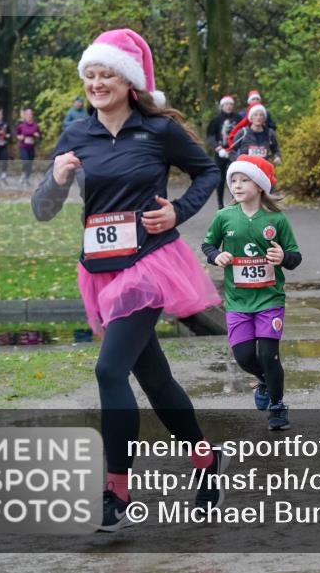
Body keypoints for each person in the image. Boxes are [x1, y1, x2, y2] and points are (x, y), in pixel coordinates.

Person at [31, 28, 225, 530]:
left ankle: (116, 491)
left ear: (129, 81)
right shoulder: (76, 134)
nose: (97, 83)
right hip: (100, 268)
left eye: (107, 74)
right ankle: (205, 459)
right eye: (90, 75)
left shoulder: (157, 131)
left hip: (149, 263)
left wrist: (176, 212)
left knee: (108, 371)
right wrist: (55, 179)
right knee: (154, 377)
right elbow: (43, 212)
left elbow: (208, 173)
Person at [202, 155, 301, 430]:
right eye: (233, 180)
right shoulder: (224, 217)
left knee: (269, 355)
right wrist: (217, 256)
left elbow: (295, 256)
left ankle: (278, 407)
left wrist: (282, 257)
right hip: (238, 302)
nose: (237, 185)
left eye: (244, 179)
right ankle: (266, 381)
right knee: (245, 356)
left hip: (270, 299)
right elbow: (208, 245)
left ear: (259, 185)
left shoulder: (275, 220)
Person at [205, 95, 242, 209]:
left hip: (234, 152)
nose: (229, 106)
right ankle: (220, 203)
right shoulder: (216, 120)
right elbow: (210, 137)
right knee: (220, 178)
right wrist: (218, 148)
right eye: (226, 104)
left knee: (235, 177)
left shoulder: (238, 118)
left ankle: (235, 201)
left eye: (231, 104)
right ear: (222, 106)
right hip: (220, 152)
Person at [225, 90, 279, 160]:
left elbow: (275, 149)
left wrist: (277, 156)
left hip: (262, 167)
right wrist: (239, 159)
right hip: (245, 168)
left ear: (264, 118)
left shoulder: (269, 133)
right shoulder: (243, 132)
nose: (258, 117)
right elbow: (231, 151)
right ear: (250, 118)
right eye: (255, 115)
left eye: (261, 115)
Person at [15, 108, 41, 185]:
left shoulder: (35, 126)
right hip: (23, 146)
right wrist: (19, 137)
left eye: (31, 114)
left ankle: (27, 178)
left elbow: (40, 136)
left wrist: (37, 135)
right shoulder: (21, 126)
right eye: (27, 115)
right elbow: (17, 134)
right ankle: (23, 174)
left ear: (32, 116)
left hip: (31, 147)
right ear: (25, 116)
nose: (29, 116)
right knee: (26, 161)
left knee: (30, 163)